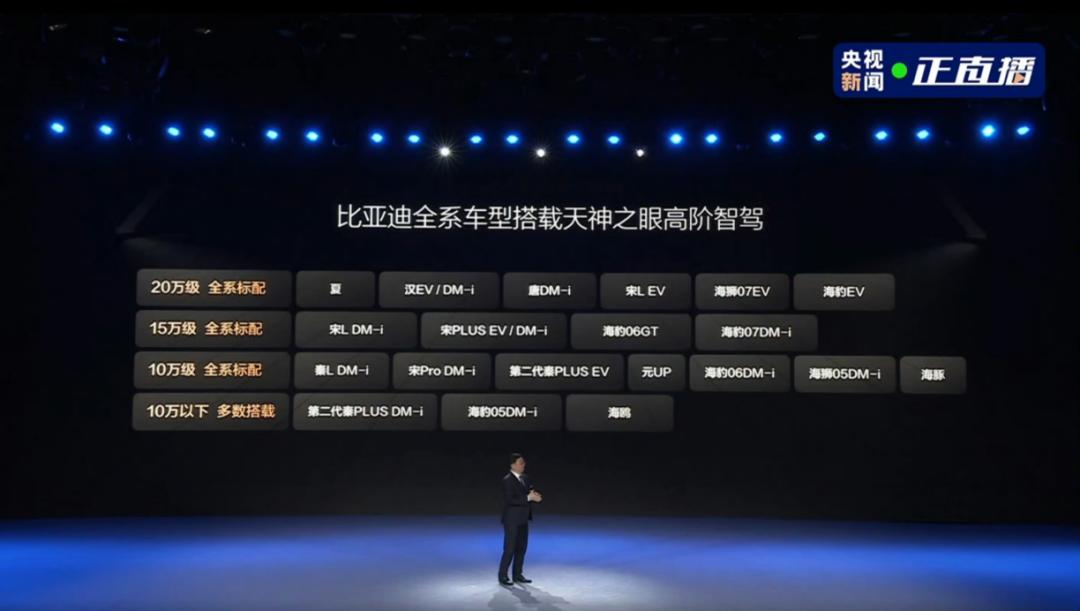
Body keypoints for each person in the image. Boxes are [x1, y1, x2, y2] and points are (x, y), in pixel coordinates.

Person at [498, 452, 541, 586]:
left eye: (523, 462)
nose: (524, 465)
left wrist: (535, 495)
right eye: (521, 463)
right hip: (511, 519)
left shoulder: (525, 478)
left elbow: (529, 492)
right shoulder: (507, 480)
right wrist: (529, 498)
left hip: (523, 518)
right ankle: (502, 575)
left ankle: (517, 574)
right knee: (510, 548)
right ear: (513, 465)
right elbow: (510, 500)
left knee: (522, 548)